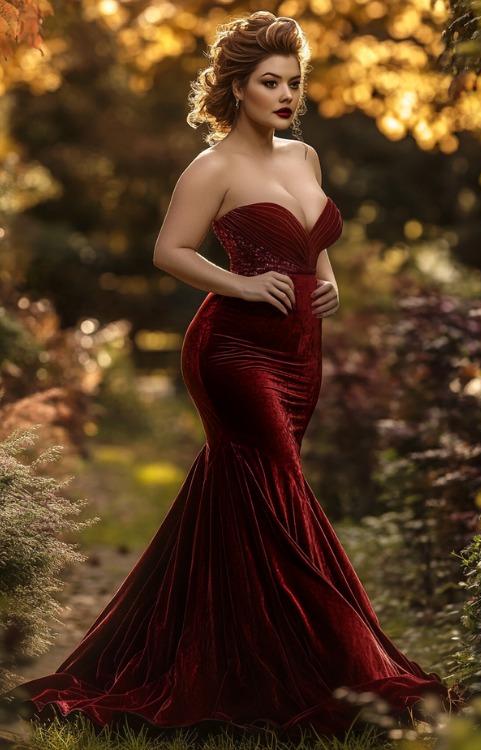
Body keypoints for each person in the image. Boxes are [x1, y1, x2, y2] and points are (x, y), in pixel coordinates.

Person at [13, 11, 454, 738]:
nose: (286, 95)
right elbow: (169, 250)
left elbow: (314, 233)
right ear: (237, 89)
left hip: (300, 353)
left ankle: (233, 661)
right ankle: (334, 666)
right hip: (233, 353)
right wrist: (242, 285)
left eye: (293, 83)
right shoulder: (211, 167)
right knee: (278, 493)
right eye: (270, 83)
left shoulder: (304, 158)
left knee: (245, 502)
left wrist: (328, 275)